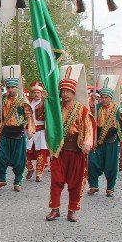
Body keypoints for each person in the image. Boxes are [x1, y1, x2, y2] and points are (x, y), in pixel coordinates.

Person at [47, 65, 95, 223]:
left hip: (76, 150)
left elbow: (88, 128)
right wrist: (44, 100)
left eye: (68, 91)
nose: (65, 94)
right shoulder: (55, 109)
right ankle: (54, 209)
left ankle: (72, 210)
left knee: (76, 182)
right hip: (59, 151)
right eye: (63, 91)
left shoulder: (82, 110)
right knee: (56, 180)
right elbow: (42, 117)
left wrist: (87, 143)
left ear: (74, 92)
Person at [0, 66, 34, 192]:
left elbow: (29, 116)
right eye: (9, 87)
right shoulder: (3, 98)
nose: (10, 89)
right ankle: (1, 180)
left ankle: (18, 182)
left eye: (13, 87)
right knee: (0, 158)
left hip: (18, 134)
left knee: (19, 161)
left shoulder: (23, 101)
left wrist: (30, 129)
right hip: (5, 133)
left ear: (17, 88)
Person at [87, 75, 122, 197]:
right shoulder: (97, 108)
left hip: (111, 140)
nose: (103, 99)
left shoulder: (117, 109)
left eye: (106, 97)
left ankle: (110, 187)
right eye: (101, 97)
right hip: (97, 139)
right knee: (91, 162)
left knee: (111, 165)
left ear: (110, 98)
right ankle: (93, 185)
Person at [26, 82, 50, 182]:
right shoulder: (28, 102)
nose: (36, 94)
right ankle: (30, 168)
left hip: (41, 130)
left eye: (38, 92)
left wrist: (45, 100)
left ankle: (39, 173)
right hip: (29, 130)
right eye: (34, 92)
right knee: (25, 152)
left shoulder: (44, 103)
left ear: (41, 93)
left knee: (41, 152)